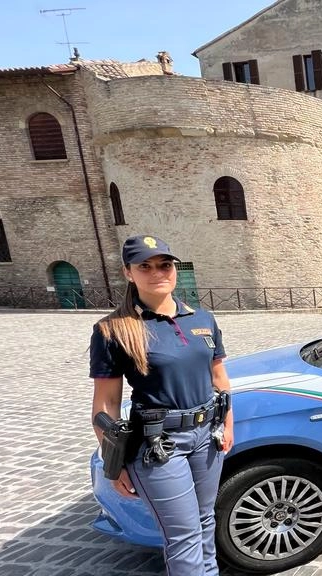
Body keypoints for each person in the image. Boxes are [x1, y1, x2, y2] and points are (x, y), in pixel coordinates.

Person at [90, 235, 234, 576]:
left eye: (164, 264)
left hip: (205, 437)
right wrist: (114, 464)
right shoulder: (114, 330)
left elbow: (220, 379)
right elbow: (106, 404)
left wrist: (227, 425)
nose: (157, 272)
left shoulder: (201, 318)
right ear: (128, 273)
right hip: (158, 446)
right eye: (145, 266)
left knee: (205, 522)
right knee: (182, 536)